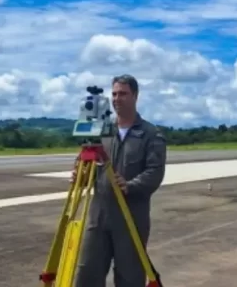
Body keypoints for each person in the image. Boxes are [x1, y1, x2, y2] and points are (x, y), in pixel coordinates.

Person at [72, 74, 167, 287]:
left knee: (129, 277)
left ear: (135, 96)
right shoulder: (101, 132)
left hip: (131, 216)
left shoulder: (151, 134)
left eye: (123, 94)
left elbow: (155, 172)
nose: (117, 99)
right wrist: (80, 174)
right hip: (99, 215)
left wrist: (130, 185)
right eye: (114, 94)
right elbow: (86, 165)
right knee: (87, 273)